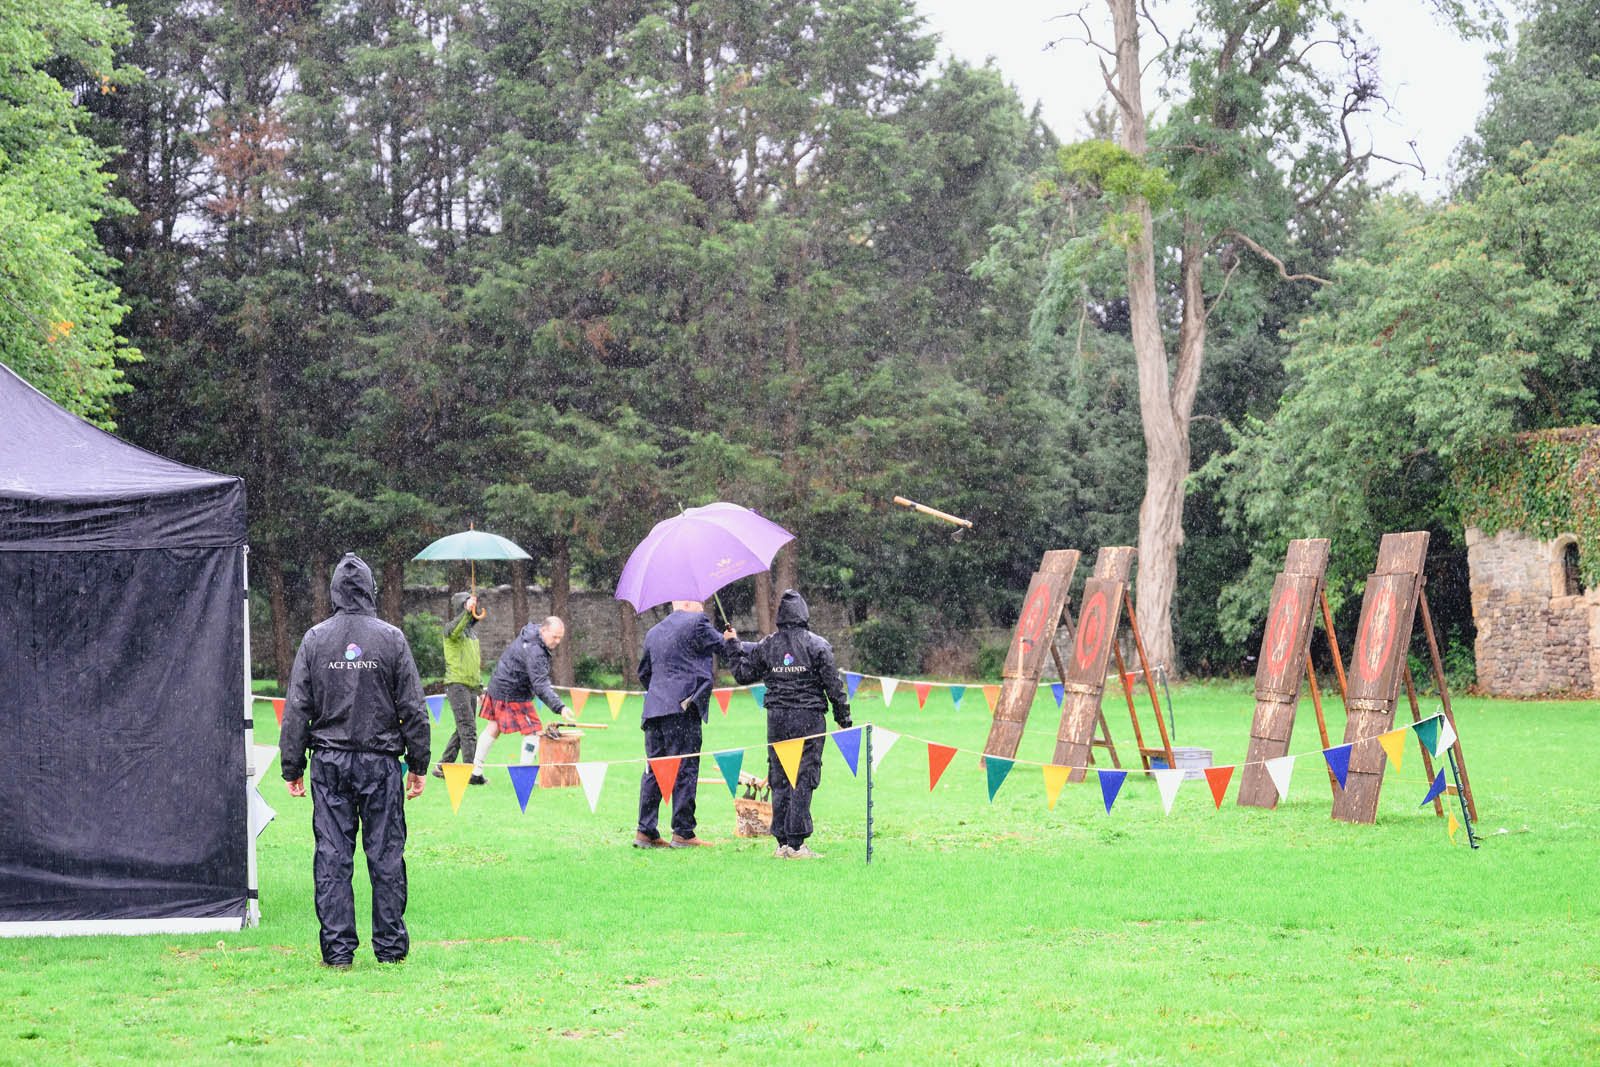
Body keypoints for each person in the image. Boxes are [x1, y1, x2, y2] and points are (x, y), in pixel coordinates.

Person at [280, 553, 430, 967]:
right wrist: (418, 765)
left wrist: (292, 765)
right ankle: (390, 949)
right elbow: (414, 708)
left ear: (334, 592)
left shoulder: (315, 639)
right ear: (370, 590)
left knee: (333, 855)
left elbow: (297, 708)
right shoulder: (391, 639)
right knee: (385, 856)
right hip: (379, 764)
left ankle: (338, 952)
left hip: (330, 763)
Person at [724, 589, 850, 859]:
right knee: (803, 777)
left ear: (780, 617)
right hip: (809, 719)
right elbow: (834, 685)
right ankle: (796, 844)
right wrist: (843, 717)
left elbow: (743, 674)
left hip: (778, 720)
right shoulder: (818, 645)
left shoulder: (767, 645)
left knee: (780, 778)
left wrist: (733, 647)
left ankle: (782, 842)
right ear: (804, 615)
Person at [634, 600, 727, 849]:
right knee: (685, 768)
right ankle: (683, 832)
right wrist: (731, 637)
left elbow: (644, 673)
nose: (704, 606)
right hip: (683, 709)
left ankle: (646, 831)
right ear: (688, 602)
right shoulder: (697, 622)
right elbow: (723, 647)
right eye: (701, 602)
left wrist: (662, 694)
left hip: (654, 711)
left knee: (654, 771)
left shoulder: (653, 632)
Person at [473, 615, 571, 783]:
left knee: (493, 727)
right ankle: (524, 777)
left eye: (560, 638)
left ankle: (474, 772)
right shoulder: (536, 650)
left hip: (499, 684)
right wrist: (560, 707)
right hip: (512, 691)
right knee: (533, 730)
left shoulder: (531, 635)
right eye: (554, 637)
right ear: (544, 630)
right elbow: (540, 684)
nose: (557, 641)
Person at [432, 591, 484, 780]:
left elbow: (473, 664)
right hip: (457, 685)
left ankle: (443, 766)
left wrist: (480, 687)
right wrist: (468, 612)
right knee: (468, 729)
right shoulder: (451, 629)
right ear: (462, 607)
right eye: (468, 605)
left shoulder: (472, 635)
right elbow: (458, 626)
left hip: (470, 686)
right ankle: (470, 773)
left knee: (463, 729)